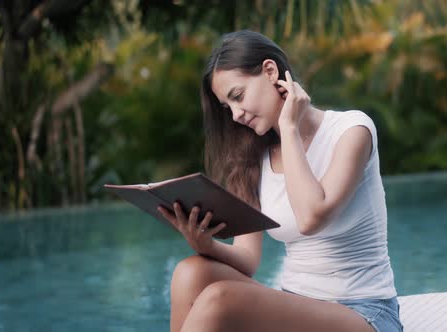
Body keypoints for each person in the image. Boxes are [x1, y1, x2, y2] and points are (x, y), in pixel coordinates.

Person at [156, 30, 403, 332]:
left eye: (238, 96)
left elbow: (311, 217)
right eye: (227, 107)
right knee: (189, 273)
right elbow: (247, 259)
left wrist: (289, 128)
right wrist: (206, 244)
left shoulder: (352, 130)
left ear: (270, 71)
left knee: (220, 300)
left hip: (366, 312)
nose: (235, 115)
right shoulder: (251, 158)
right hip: (297, 303)